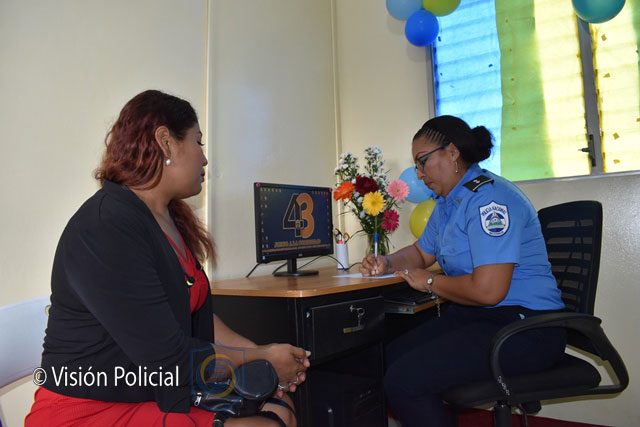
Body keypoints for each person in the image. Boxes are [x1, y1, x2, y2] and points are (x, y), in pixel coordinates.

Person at [26, 90, 309, 427]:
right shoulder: (106, 227)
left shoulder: (166, 219)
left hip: (151, 392)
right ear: (166, 142)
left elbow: (197, 319)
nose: (204, 159)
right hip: (90, 407)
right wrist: (260, 357)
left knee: (281, 408)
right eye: (198, 142)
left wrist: (262, 356)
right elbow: (170, 361)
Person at [360, 115, 566, 427]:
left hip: (527, 327)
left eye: (423, 162)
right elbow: (420, 252)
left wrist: (430, 281)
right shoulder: (448, 203)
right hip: (483, 316)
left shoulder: (489, 200)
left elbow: (488, 291)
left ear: (453, 152)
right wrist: (386, 262)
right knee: (389, 356)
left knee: (405, 380)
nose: (419, 174)